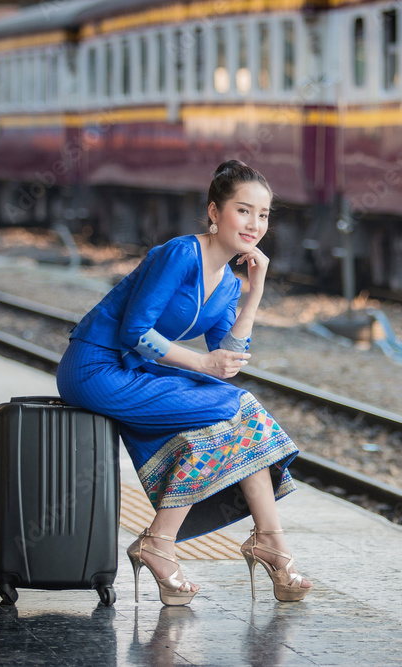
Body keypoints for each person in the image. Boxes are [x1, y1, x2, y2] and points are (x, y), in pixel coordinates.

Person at [56, 160, 312, 605]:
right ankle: (201, 542)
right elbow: (135, 331)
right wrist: (201, 362)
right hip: (95, 368)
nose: (255, 224)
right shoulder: (181, 254)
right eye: (243, 211)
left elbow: (229, 362)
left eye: (264, 215)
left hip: (134, 371)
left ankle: (243, 540)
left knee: (233, 411)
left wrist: (254, 292)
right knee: (233, 407)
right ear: (215, 212)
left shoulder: (230, 285)